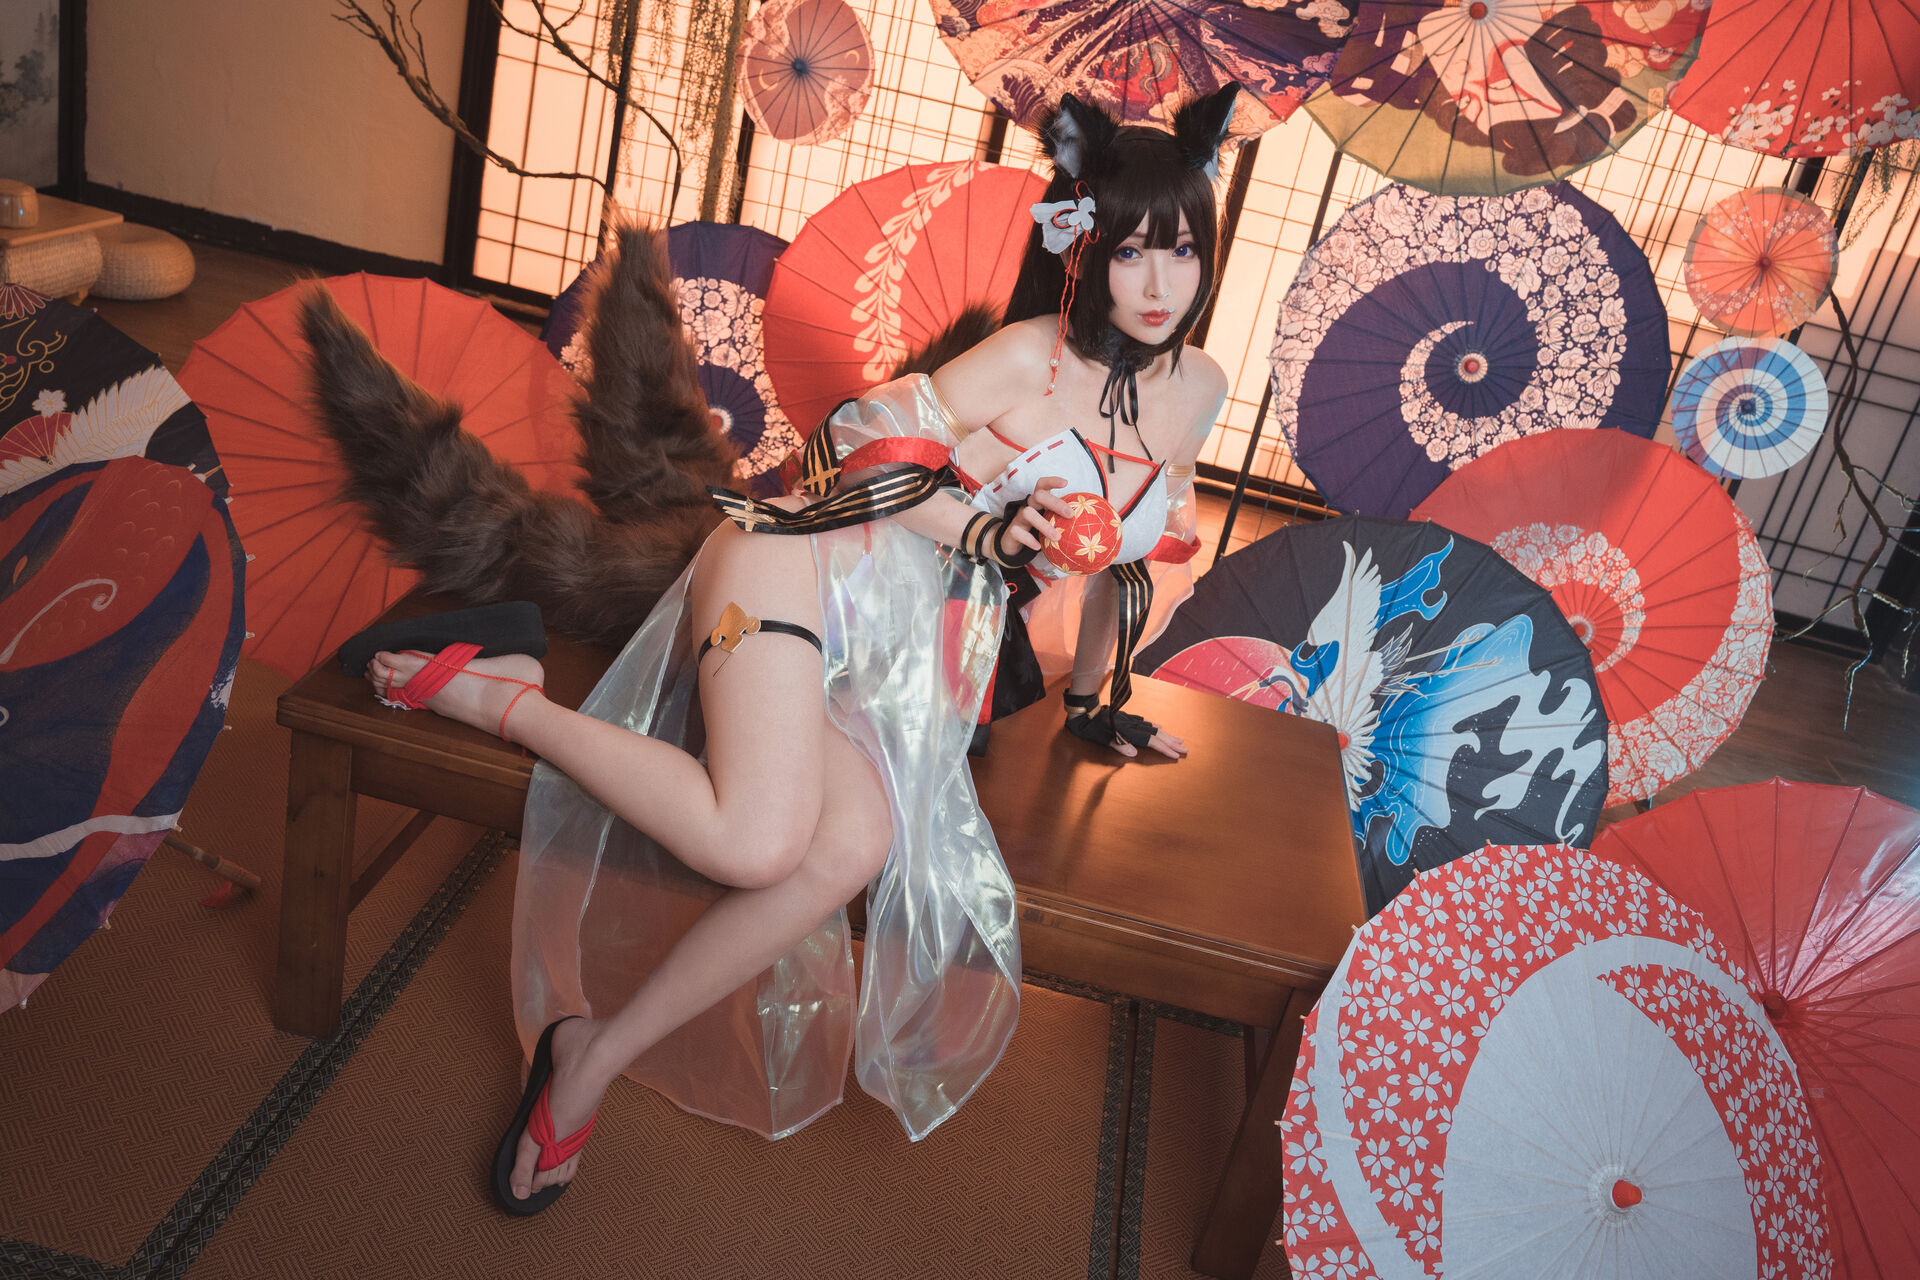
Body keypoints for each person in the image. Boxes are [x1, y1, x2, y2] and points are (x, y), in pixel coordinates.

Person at [356, 85, 1237, 1214]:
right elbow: (847, 452)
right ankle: (502, 697)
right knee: (756, 840)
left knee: (849, 849)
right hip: (798, 564)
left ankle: (590, 1054)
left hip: (902, 654)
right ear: (1087, 248)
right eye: (1133, 252)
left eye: (1182, 251)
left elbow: (1126, 550)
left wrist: (1091, 702)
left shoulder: (1199, 389)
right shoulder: (1029, 358)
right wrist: (984, 528)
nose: (1160, 284)